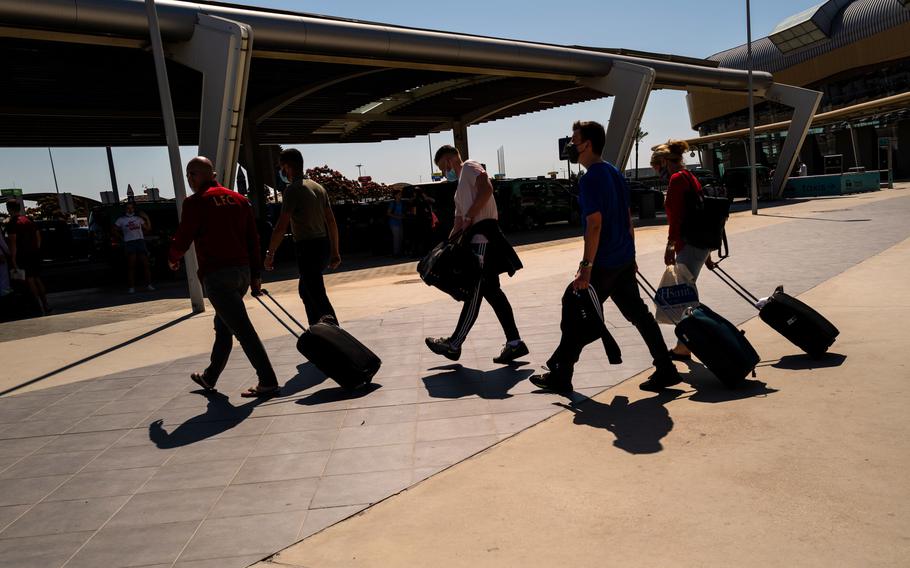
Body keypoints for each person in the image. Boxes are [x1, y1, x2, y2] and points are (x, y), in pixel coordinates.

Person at [529, 121, 682, 393]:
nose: (571, 146)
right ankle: (666, 368)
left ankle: (561, 374)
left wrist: (586, 267)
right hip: (622, 259)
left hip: (604, 262)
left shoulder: (590, 179)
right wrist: (631, 255)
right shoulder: (614, 173)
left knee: (575, 309)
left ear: (587, 144)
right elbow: (627, 219)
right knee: (639, 315)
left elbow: (595, 224)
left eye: (574, 141)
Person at [168, 156, 279, 398]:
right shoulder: (240, 200)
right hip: (241, 273)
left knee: (242, 329)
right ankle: (210, 377)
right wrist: (255, 274)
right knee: (223, 325)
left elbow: (184, 236)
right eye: (188, 174)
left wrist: (173, 256)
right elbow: (253, 239)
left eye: (192, 173)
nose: (189, 178)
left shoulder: (196, 203)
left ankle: (268, 380)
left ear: (207, 174)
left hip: (218, 276)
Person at [424, 145, 528, 365]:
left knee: (474, 291)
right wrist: (444, 247)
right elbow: (458, 222)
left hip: (483, 238)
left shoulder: (470, 167)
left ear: (450, 160)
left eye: (443, 167)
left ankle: (454, 343)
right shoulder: (458, 190)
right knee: (493, 293)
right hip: (475, 240)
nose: (445, 173)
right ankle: (515, 343)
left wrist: (470, 217)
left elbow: (487, 190)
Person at [652, 139, 716, 361]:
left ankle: (687, 344)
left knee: (687, 296)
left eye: (656, 167)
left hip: (688, 245)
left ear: (663, 162)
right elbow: (700, 215)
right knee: (687, 293)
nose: (657, 172)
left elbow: (677, 218)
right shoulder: (690, 177)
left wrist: (670, 246)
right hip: (698, 245)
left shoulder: (678, 180)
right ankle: (685, 343)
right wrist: (707, 255)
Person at [264, 148, 340, 325]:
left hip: (307, 248)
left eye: (280, 167)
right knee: (306, 291)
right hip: (322, 246)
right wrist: (335, 251)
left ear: (287, 167)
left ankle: (333, 334)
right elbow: (331, 222)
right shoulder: (318, 187)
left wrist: (270, 254)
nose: (280, 172)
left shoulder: (292, 190)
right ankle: (317, 328)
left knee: (317, 295)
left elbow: (281, 226)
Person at [5, 200, 50, 315]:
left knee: (29, 280)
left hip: (23, 255)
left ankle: (38, 305)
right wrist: (36, 249)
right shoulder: (29, 220)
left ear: (9, 209)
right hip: (34, 254)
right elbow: (38, 236)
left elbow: (13, 243)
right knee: (37, 278)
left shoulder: (12, 224)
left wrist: (13, 259)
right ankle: (46, 304)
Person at [113, 201, 154, 293]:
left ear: (134, 209)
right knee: (131, 266)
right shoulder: (121, 220)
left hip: (140, 241)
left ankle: (149, 285)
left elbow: (148, 228)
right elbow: (114, 229)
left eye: (131, 208)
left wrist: (146, 217)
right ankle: (131, 287)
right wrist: (121, 238)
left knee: (146, 264)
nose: (130, 209)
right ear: (125, 209)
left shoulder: (138, 218)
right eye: (128, 208)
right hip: (129, 243)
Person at [387, 189, 405, 256]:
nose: (401, 195)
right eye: (399, 194)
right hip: (393, 223)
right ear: (395, 195)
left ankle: (400, 252)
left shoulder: (401, 203)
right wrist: (396, 217)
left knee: (401, 237)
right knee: (396, 238)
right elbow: (388, 213)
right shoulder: (393, 203)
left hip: (400, 222)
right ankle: (396, 253)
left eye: (401, 194)